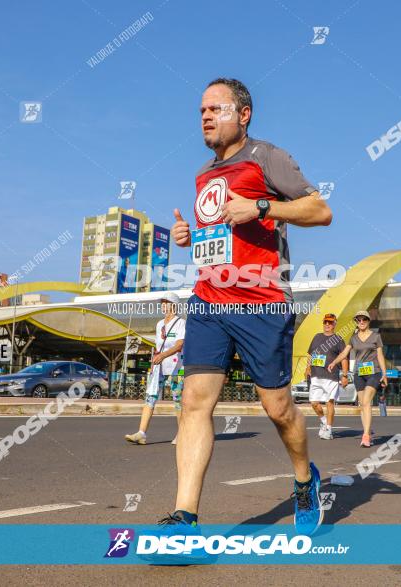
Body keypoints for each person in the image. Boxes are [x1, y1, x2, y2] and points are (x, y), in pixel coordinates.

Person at [163, 78, 334, 539]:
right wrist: (189, 238)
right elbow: (219, 241)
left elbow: (320, 210)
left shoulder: (267, 157)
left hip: (262, 302)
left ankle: (304, 480)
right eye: (201, 110)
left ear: (244, 114)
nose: (205, 116)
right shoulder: (203, 175)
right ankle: (184, 519)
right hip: (209, 300)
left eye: (215, 108)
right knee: (194, 403)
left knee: (278, 409)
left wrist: (261, 206)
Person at [125, 292, 185, 445]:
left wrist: (163, 355)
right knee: (150, 397)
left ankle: (183, 434)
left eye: (167, 302)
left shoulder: (181, 323)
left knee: (177, 399)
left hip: (177, 367)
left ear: (174, 305)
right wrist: (155, 360)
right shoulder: (159, 325)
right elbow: (158, 345)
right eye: (162, 302)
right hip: (158, 365)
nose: (163, 305)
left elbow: (179, 345)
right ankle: (141, 433)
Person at [328, 310, 387, 447]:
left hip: (374, 372)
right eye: (358, 320)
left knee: (366, 401)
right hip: (359, 373)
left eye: (364, 319)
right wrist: (334, 362)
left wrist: (384, 373)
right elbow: (344, 352)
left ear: (368, 321)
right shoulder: (353, 338)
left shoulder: (376, 336)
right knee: (363, 405)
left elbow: (380, 356)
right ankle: (366, 434)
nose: (361, 322)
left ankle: (366, 435)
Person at [306, 313, 347, 440]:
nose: (327, 325)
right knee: (314, 402)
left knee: (330, 402)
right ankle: (324, 421)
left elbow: (344, 358)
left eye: (330, 322)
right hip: (316, 375)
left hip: (331, 376)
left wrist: (345, 375)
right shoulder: (317, 337)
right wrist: (307, 368)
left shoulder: (339, 339)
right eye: (325, 322)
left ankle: (328, 429)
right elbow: (310, 355)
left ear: (334, 324)